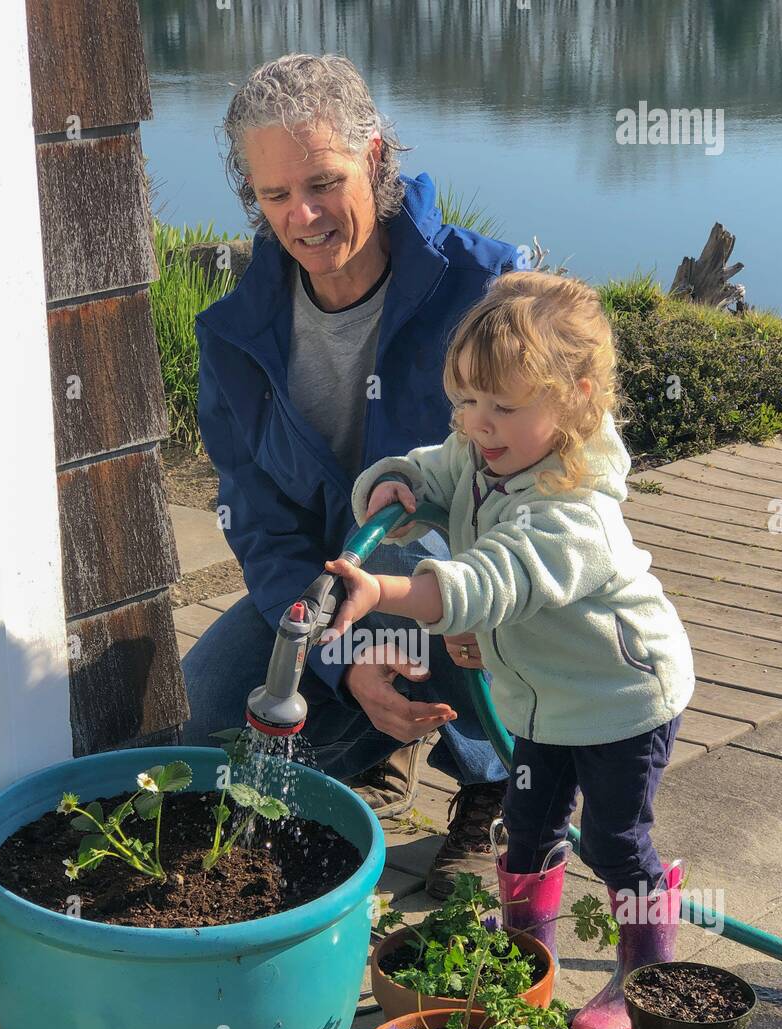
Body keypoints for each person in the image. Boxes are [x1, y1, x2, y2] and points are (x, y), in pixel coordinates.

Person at [323, 270, 696, 1029]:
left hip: (620, 698)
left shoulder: (574, 512)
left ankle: (647, 968)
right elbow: (432, 468)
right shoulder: (484, 453)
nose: (475, 423)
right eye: (464, 400)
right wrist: (393, 484)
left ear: (576, 398)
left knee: (612, 839)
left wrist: (384, 591)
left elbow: (486, 582)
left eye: (500, 406)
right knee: (524, 828)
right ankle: (528, 957)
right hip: (539, 701)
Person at [182, 52, 519, 897]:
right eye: (273, 195)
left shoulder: (488, 289)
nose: (303, 215)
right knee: (215, 702)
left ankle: (498, 784)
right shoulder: (233, 337)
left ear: (375, 160)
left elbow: (561, 475)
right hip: (337, 587)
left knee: (409, 549)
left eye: (323, 181)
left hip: (484, 585)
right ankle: (379, 733)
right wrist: (343, 659)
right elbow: (258, 524)